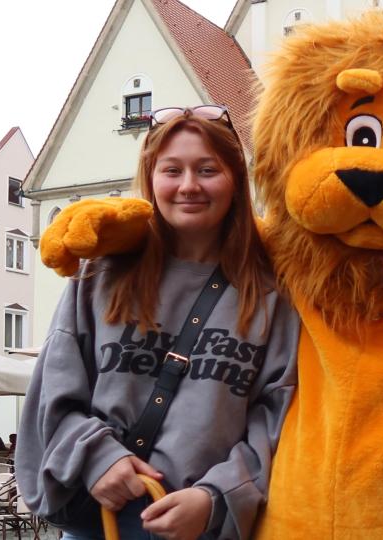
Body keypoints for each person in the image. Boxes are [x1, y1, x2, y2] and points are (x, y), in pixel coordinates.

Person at [16, 106, 299, 540]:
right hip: (99, 520)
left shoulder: (272, 294)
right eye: (172, 170)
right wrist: (96, 456)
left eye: (207, 169)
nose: (189, 186)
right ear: (151, 178)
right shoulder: (100, 274)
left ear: (235, 182)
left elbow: (277, 416)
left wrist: (216, 497)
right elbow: (53, 392)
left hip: (204, 527)